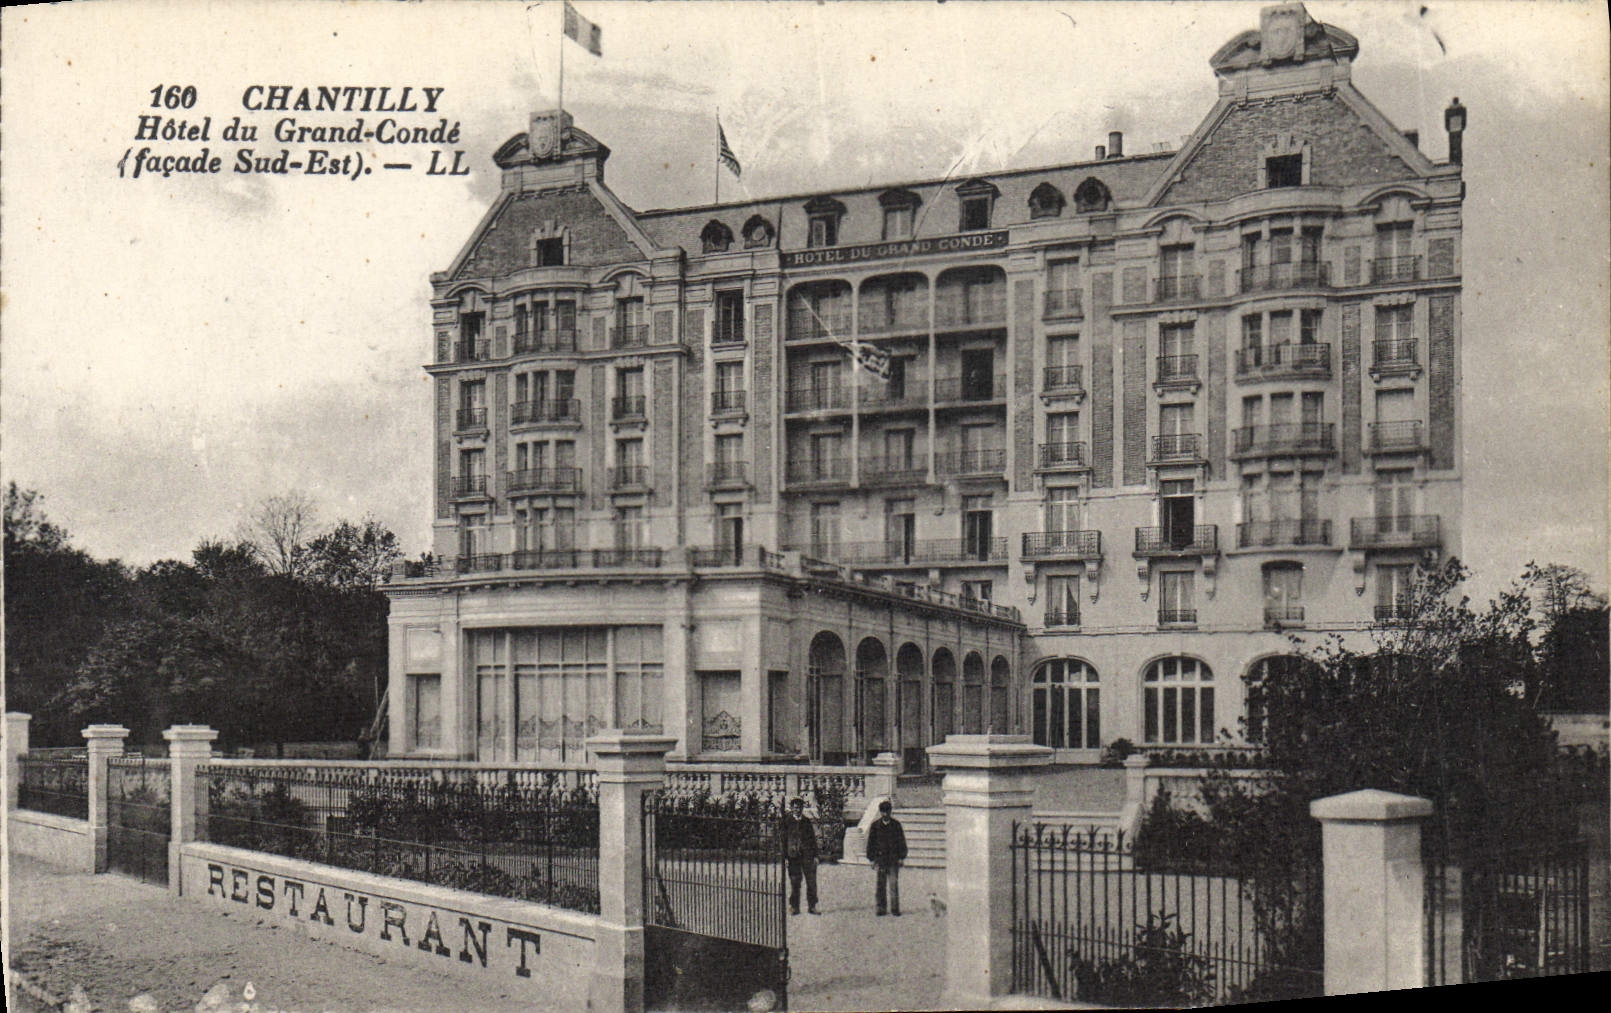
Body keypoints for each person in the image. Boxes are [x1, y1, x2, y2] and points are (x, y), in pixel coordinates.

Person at [865, 799, 908, 916]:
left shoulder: (896, 825)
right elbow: (871, 843)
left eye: (887, 812)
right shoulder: (875, 826)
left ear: (890, 812)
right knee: (880, 885)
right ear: (880, 812)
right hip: (881, 860)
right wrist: (872, 859)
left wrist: (901, 857)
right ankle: (881, 908)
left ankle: (895, 908)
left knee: (893, 884)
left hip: (893, 860)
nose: (885, 814)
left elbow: (901, 842)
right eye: (883, 812)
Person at [779, 796, 820, 915]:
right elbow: (783, 841)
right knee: (795, 882)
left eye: (799, 807)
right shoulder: (787, 821)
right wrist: (785, 857)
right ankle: (794, 906)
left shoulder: (806, 821)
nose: (797, 810)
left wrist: (815, 855)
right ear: (791, 808)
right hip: (793, 856)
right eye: (795, 807)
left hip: (807, 855)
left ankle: (812, 906)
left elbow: (812, 839)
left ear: (802, 808)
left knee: (811, 882)